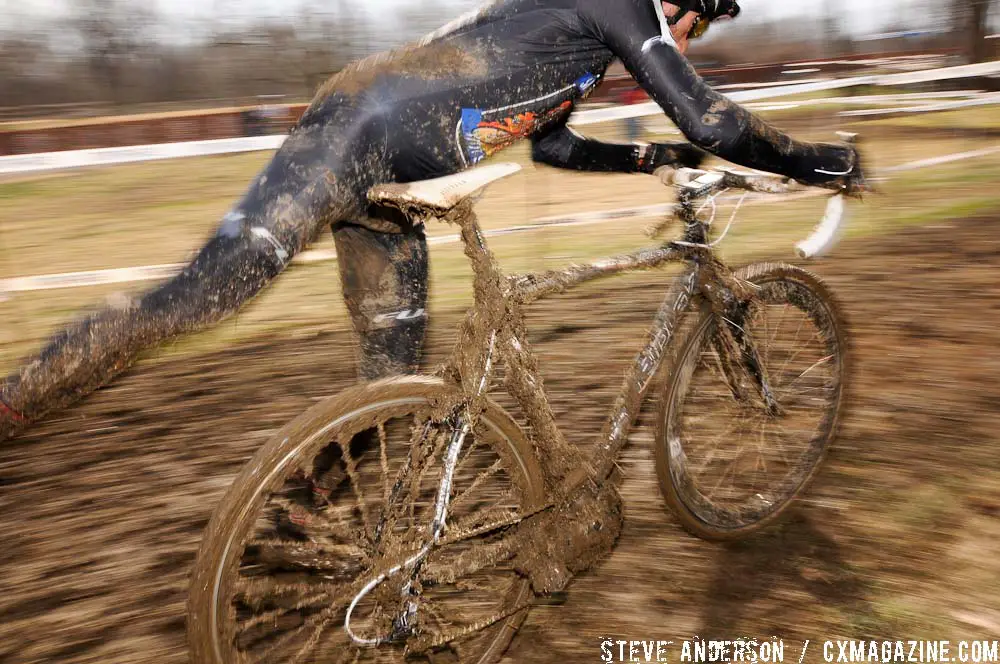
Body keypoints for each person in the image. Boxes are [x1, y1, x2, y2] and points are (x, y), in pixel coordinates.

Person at [0, 0, 867, 442]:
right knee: (193, 303)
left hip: (389, 189)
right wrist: (814, 159)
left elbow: (551, 149)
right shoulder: (619, 2)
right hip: (345, 146)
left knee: (391, 394)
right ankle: (14, 405)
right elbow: (710, 118)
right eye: (699, 21)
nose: (691, 38)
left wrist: (653, 161)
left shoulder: (578, 47)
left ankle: (299, 514)